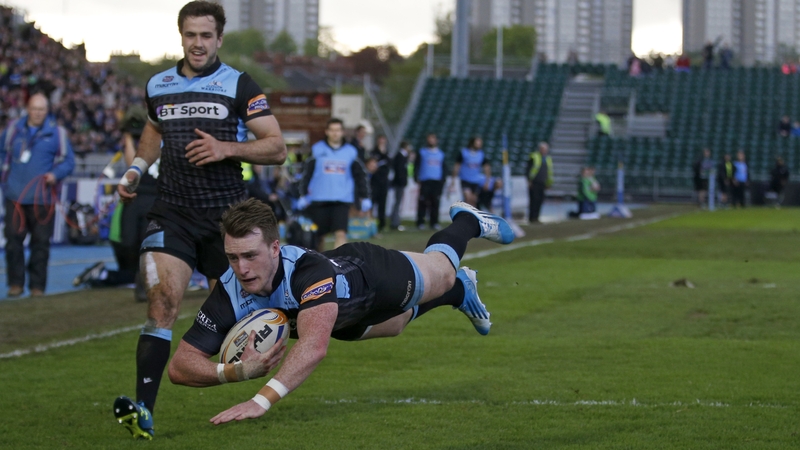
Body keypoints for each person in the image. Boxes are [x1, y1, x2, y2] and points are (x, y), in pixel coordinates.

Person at [166, 197, 516, 426]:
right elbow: (180, 367)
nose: (241, 269)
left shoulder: (306, 271)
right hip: (341, 320)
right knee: (394, 327)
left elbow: (314, 347)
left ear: (275, 247)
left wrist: (262, 399)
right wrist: (237, 371)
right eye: (232, 257)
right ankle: (459, 293)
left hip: (372, 275)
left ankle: (468, 222)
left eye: (250, 255)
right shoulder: (229, 290)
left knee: (441, 272)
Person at [112, 1, 287, 440]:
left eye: (206, 36)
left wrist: (228, 149)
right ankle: (143, 412)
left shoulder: (239, 85)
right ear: (181, 36)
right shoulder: (159, 84)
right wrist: (136, 168)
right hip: (171, 210)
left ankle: (252, 386)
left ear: (219, 39)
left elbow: (276, 147)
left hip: (226, 220)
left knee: (244, 317)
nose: (198, 43)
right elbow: (153, 133)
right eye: (191, 35)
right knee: (162, 304)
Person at [73, 105, 156, 302]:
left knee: (147, 245)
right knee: (129, 242)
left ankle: (137, 281)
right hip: (135, 195)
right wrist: (127, 136)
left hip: (154, 195)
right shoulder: (137, 146)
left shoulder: (160, 141)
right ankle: (127, 275)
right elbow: (132, 163)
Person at [0, 92, 75, 297]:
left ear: (47, 111)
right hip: (15, 196)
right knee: (13, 242)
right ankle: (15, 284)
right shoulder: (13, 130)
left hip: (43, 199)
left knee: (40, 244)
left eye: (42, 109)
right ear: (28, 109)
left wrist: (55, 174)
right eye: (34, 109)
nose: (38, 113)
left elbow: (69, 162)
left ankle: (37, 287)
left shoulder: (57, 134)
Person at [298, 118, 370, 252]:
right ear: (327, 132)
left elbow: (360, 175)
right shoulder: (317, 149)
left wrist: (365, 196)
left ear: (342, 132)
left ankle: (339, 266)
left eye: (338, 130)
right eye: (332, 130)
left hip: (341, 200)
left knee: (341, 233)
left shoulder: (351, 152)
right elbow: (306, 173)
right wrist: (302, 194)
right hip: (319, 199)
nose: (335, 133)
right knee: (319, 237)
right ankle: (318, 265)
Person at [414, 133, 445, 230]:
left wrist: (442, 180)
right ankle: (420, 222)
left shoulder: (441, 154)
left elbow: (444, 167)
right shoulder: (422, 152)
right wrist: (416, 177)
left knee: (435, 202)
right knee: (423, 202)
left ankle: (434, 222)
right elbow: (417, 165)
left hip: (436, 181)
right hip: (425, 180)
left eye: (433, 138)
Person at [449, 136, 490, 208]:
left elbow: (486, 168)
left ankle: (472, 217)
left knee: (474, 200)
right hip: (465, 180)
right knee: (468, 198)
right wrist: (453, 179)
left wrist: (487, 181)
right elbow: (457, 166)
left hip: (476, 180)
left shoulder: (481, 154)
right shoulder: (464, 153)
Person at [525, 141, 553, 224]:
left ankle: (536, 217)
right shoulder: (534, 157)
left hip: (542, 182)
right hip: (534, 182)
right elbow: (528, 169)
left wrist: (548, 183)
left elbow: (549, 172)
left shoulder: (548, 159)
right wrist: (529, 180)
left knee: (540, 200)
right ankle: (532, 217)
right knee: (534, 200)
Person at [368, 135, 390, 232]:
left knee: (382, 204)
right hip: (375, 182)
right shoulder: (373, 152)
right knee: (372, 203)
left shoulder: (387, 153)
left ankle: (382, 224)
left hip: (384, 182)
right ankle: (370, 223)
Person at [389, 140, 412, 231]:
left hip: (399, 183)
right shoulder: (400, 157)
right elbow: (400, 171)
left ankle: (395, 221)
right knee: (397, 202)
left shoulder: (402, 156)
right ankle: (395, 222)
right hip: (399, 183)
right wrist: (402, 181)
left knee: (397, 202)